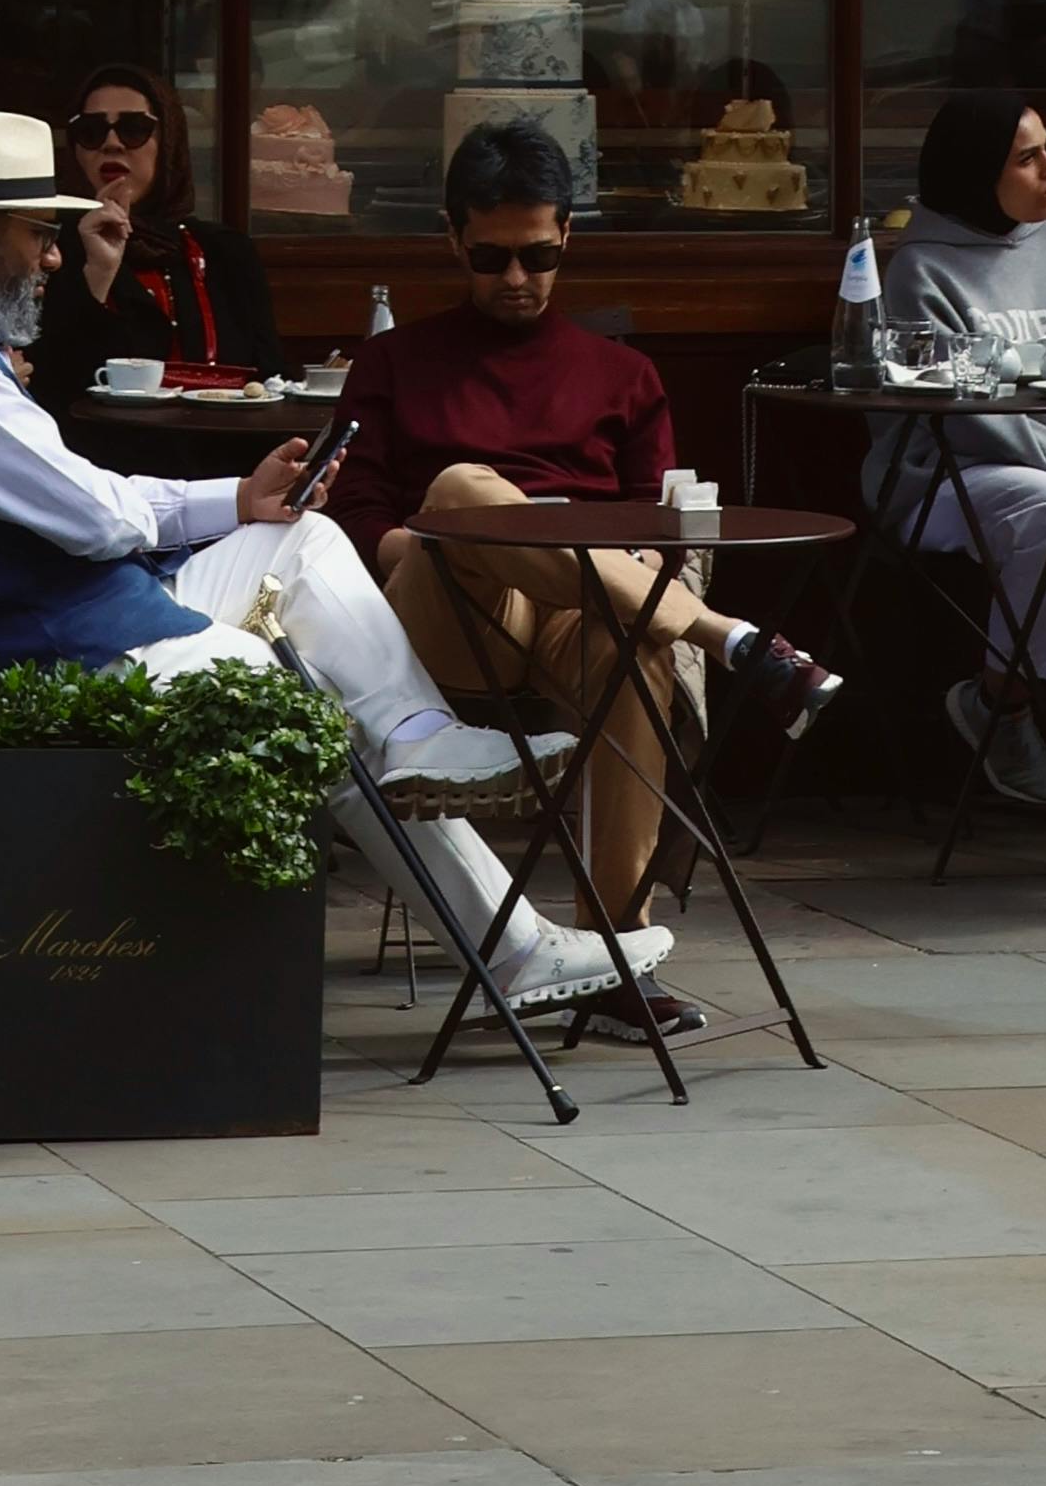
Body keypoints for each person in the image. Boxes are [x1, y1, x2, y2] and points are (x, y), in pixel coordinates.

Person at [0, 106, 657, 1018]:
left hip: (88, 610)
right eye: (39, 233)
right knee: (309, 700)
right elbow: (95, 517)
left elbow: (92, 506)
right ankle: (512, 947)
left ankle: (422, 741)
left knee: (303, 540)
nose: (54, 257)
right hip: (54, 646)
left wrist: (241, 501)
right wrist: (212, 502)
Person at [332, 120, 841, 1043]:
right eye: (491, 258)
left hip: (584, 610)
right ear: (453, 241)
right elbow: (361, 522)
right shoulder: (394, 360)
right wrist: (465, 536)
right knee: (465, 491)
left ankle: (615, 954)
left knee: (634, 643)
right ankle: (728, 636)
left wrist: (617, 568)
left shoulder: (625, 375)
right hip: (446, 610)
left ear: (567, 235)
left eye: (536, 255)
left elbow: (659, 523)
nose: (516, 279)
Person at [869, 86, 1046, 820]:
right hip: (947, 474)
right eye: (1027, 157)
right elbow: (958, 412)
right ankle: (1001, 706)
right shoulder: (920, 269)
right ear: (978, 171)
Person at [30, 61, 278, 414]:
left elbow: (270, 380)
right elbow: (50, 386)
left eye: (133, 129)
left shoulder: (225, 251)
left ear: (169, 141)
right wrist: (97, 273)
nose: (112, 144)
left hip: (220, 451)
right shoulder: (50, 249)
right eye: (91, 131)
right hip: (106, 456)